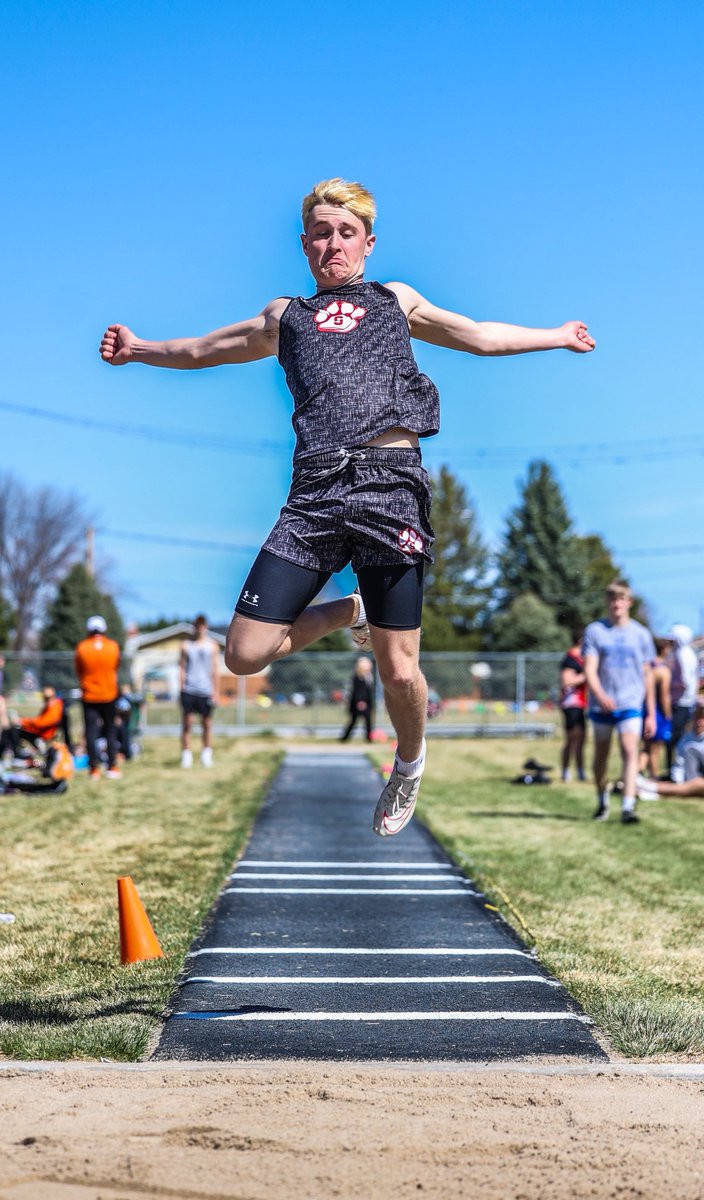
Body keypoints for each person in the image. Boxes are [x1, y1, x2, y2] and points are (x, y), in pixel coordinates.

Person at [100, 177, 595, 836]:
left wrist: (556, 335)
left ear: (367, 241)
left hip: (390, 486)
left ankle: (409, 763)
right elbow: (201, 350)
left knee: (398, 669)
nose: (332, 243)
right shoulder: (286, 318)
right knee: (243, 654)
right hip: (315, 491)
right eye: (321, 233)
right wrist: (138, 350)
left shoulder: (396, 298)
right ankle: (348, 611)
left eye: (345, 232)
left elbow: (477, 335)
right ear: (305, 243)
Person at [583, 581, 655, 824]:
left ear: (629, 603)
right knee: (601, 754)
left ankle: (628, 805)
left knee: (629, 749)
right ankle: (602, 798)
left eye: (621, 599)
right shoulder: (595, 631)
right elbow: (590, 669)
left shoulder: (641, 634)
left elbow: (648, 674)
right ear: (607, 602)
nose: (617, 603)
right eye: (613, 599)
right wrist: (601, 695)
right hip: (601, 703)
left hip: (630, 702)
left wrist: (651, 713)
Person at [74, 616, 121, 780]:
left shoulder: (82, 647)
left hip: (89, 695)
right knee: (110, 730)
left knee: (91, 732)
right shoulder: (113, 646)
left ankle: (94, 769)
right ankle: (112, 766)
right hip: (109, 694)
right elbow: (116, 666)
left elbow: (79, 670)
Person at [637, 698, 704, 799]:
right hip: (687, 780)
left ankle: (649, 788)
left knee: (698, 784)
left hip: (697, 782)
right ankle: (648, 789)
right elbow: (679, 766)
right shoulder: (686, 739)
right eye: (698, 717)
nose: (700, 722)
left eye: (703, 718)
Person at [179, 615, 219, 768]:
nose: (200, 628)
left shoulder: (212, 646)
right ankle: (186, 755)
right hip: (189, 689)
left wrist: (215, 691)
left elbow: (215, 669)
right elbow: (181, 667)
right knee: (187, 724)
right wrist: (181, 687)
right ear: (194, 626)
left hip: (205, 690)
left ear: (206, 626)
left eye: (202, 625)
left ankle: (206, 754)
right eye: (197, 625)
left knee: (207, 724)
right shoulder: (186, 645)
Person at [666, 624, 699, 776]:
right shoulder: (688, 653)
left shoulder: (683, 654)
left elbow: (684, 681)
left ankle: (673, 770)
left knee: (674, 738)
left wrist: (668, 685)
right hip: (685, 701)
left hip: (682, 702)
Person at [0, 686, 65, 759]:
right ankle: (4, 752)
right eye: (45, 698)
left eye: (48, 698)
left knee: (14, 731)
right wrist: (23, 723)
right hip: (37, 732)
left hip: (42, 737)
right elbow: (38, 721)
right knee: (7, 731)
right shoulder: (49, 707)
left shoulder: (55, 708)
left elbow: (41, 723)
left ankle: (17, 756)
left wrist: (23, 721)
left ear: (53, 696)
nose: (46, 700)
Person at [641, 637, 672, 780]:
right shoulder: (663, 670)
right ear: (664, 649)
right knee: (655, 748)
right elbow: (664, 695)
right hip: (657, 712)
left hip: (644, 709)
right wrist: (668, 713)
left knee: (647, 747)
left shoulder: (645, 667)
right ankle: (653, 777)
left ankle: (636, 773)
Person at [559, 630, 587, 782]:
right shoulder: (570, 658)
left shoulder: (583, 658)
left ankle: (581, 771)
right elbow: (566, 681)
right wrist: (585, 676)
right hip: (571, 704)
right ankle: (565, 771)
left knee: (582, 740)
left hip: (581, 704)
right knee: (572, 740)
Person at [340, 656, 375, 742]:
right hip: (359, 703)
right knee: (354, 721)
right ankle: (345, 738)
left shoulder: (368, 676)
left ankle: (368, 738)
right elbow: (358, 691)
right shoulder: (358, 677)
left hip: (367, 702)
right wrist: (360, 701)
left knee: (368, 721)